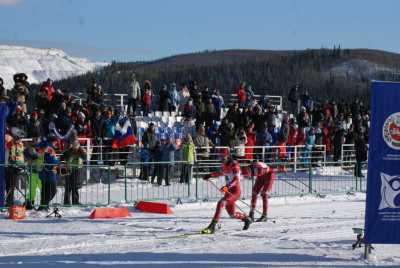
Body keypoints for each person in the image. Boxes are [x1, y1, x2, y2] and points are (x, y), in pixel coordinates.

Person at [201, 157, 252, 234]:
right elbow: (220, 173)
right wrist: (210, 175)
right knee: (232, 215)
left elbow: (236, 180)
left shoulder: (235, 166)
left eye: (223, 160)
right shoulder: (225, 166)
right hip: (228, 192)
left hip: (235, 192)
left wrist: (227, 186)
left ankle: (212, 226)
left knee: (221, 203)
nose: (222, 163)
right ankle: (246, 218)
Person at [38, 134, 60, 211]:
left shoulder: (43, 145)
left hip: (43, 172)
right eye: (55, 141)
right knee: (53, 190)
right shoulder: (49, 147)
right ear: (53, 141)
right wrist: (58, 161)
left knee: (45, 190)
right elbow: (52, 160)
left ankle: (43, 205)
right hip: (49, 172)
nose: (56, 143)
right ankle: (44, 204)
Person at [61, 141, 86, 205]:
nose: (75, 149)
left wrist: (82, 150)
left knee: (75, 187)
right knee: (68, 187)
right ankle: (66, 202)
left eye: (76, 147)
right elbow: (62, 157)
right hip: (69, 170)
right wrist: (64, 164)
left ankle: (75, 201)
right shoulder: (68, 151)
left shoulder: (81, 151)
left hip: (77, 170)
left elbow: (85, 157)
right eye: (74, 147)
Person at [6, 134, 25, 207]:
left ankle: (10, 201)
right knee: (10, 186)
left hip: (18, 168)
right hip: (12, 168)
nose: (20, 140)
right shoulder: (13, 146)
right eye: (19, 139)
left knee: (12, 186)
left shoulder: (20, 146)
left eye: (20, 139)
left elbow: (20, 157)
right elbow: (12, 157)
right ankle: (9, 201)